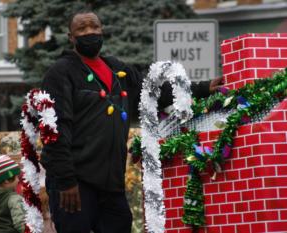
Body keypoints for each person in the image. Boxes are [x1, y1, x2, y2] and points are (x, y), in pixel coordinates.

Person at [40, 10, 222, 233]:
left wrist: (202, 88)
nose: (89, 32)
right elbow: (55, 129)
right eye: (82, 29)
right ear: (71, 37)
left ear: (102, 31)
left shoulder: (117, 69)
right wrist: (67, 181)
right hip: (75, 184)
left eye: (94, 27)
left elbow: (153, 92)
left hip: (111, 183)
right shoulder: (60, 72)